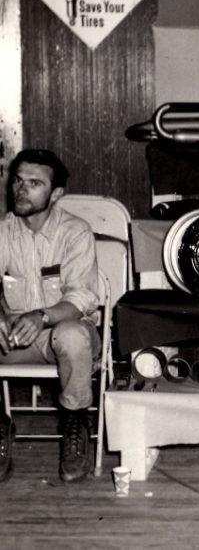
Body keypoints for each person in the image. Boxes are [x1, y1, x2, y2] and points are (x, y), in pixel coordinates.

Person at [0, 149, 102, 483]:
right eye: (17, 180)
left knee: (71, 334)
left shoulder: (75, 232)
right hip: (17, 336)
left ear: (56, 194)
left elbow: (82, 297)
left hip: (65, 332)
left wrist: (41, 317)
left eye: (34, 183)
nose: (20, 190)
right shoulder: (3, 232)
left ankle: (75, 423)